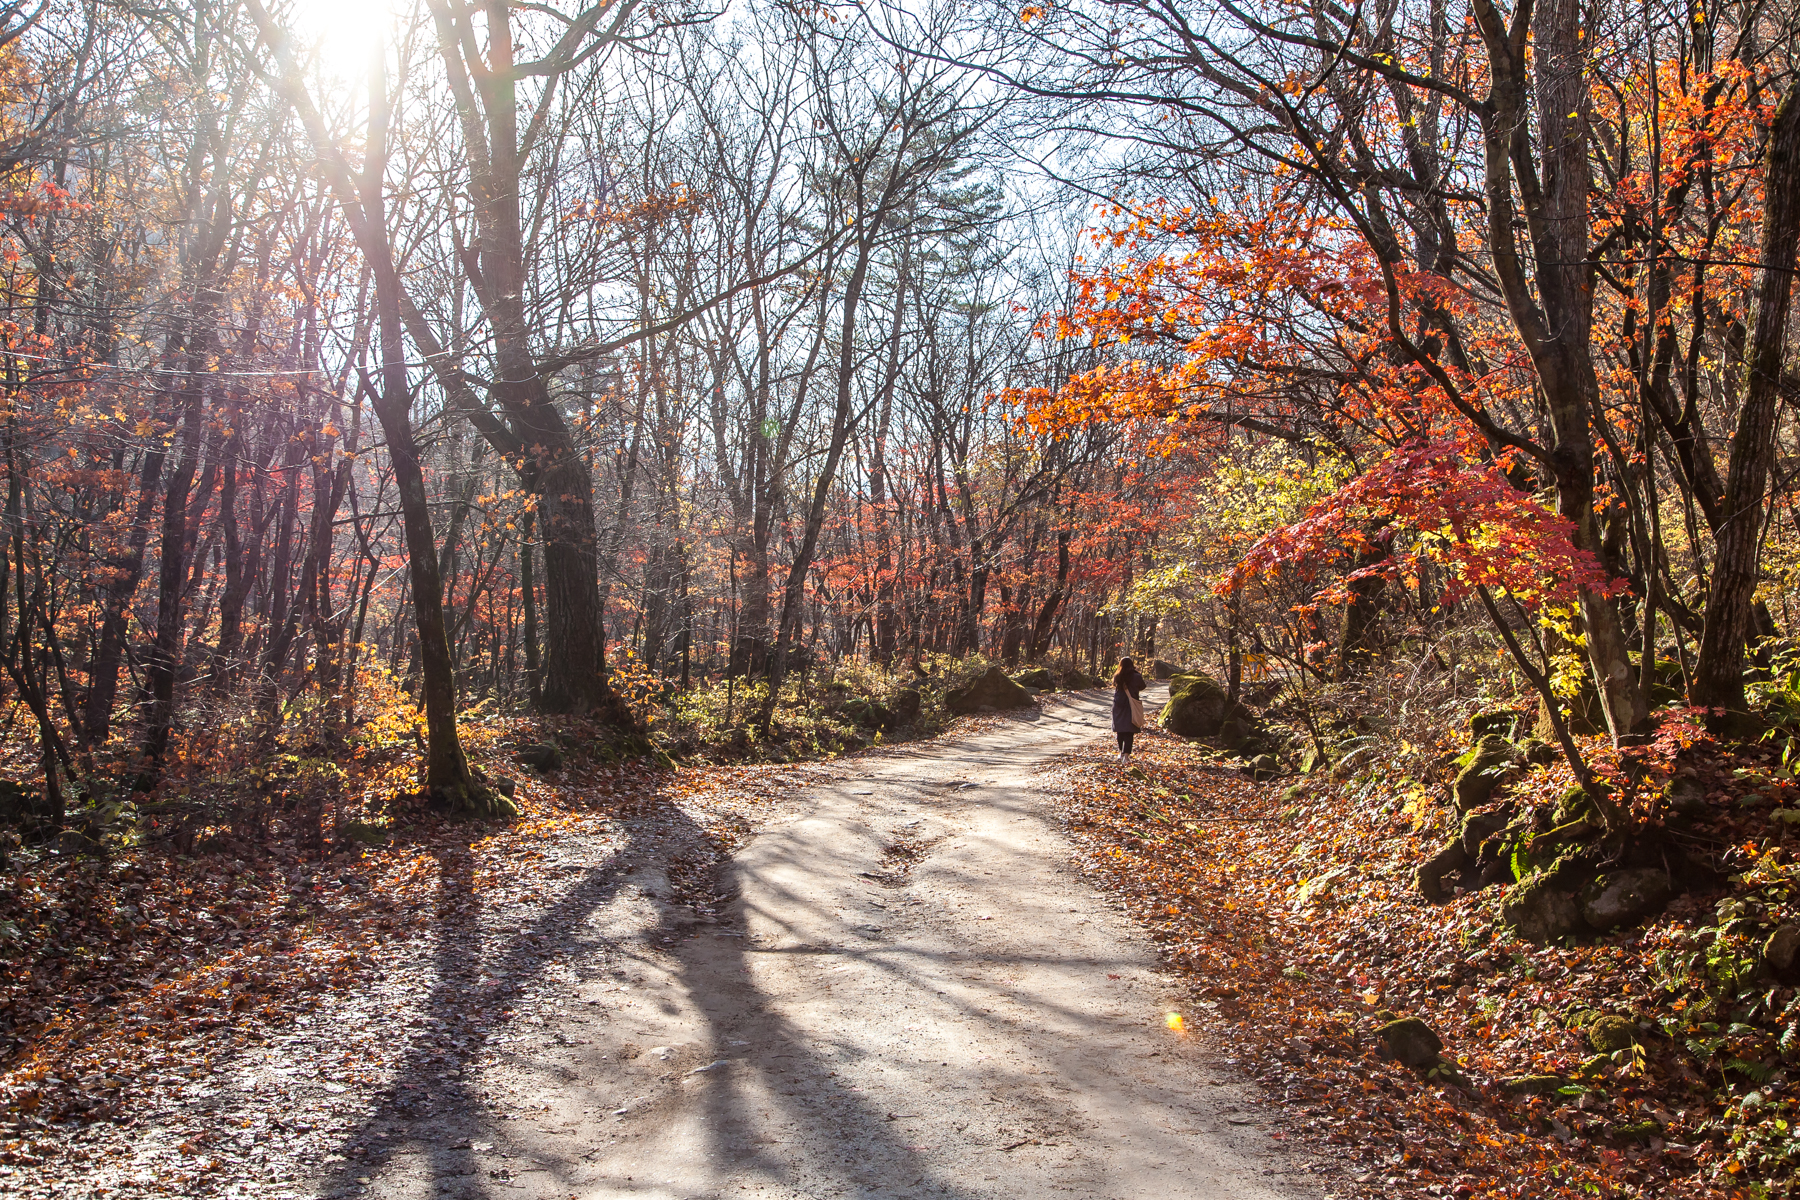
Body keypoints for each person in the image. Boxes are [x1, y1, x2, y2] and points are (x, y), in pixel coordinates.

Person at [1112, 657, 1146, 761]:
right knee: (1129, 731)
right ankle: (1126, 755)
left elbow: (1114, 685)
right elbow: (1142, 686)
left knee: (1120, 730)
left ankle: (1120, 752)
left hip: (1119, 705)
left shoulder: (1118, 676)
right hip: (1131, 705)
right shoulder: (1136, 676)